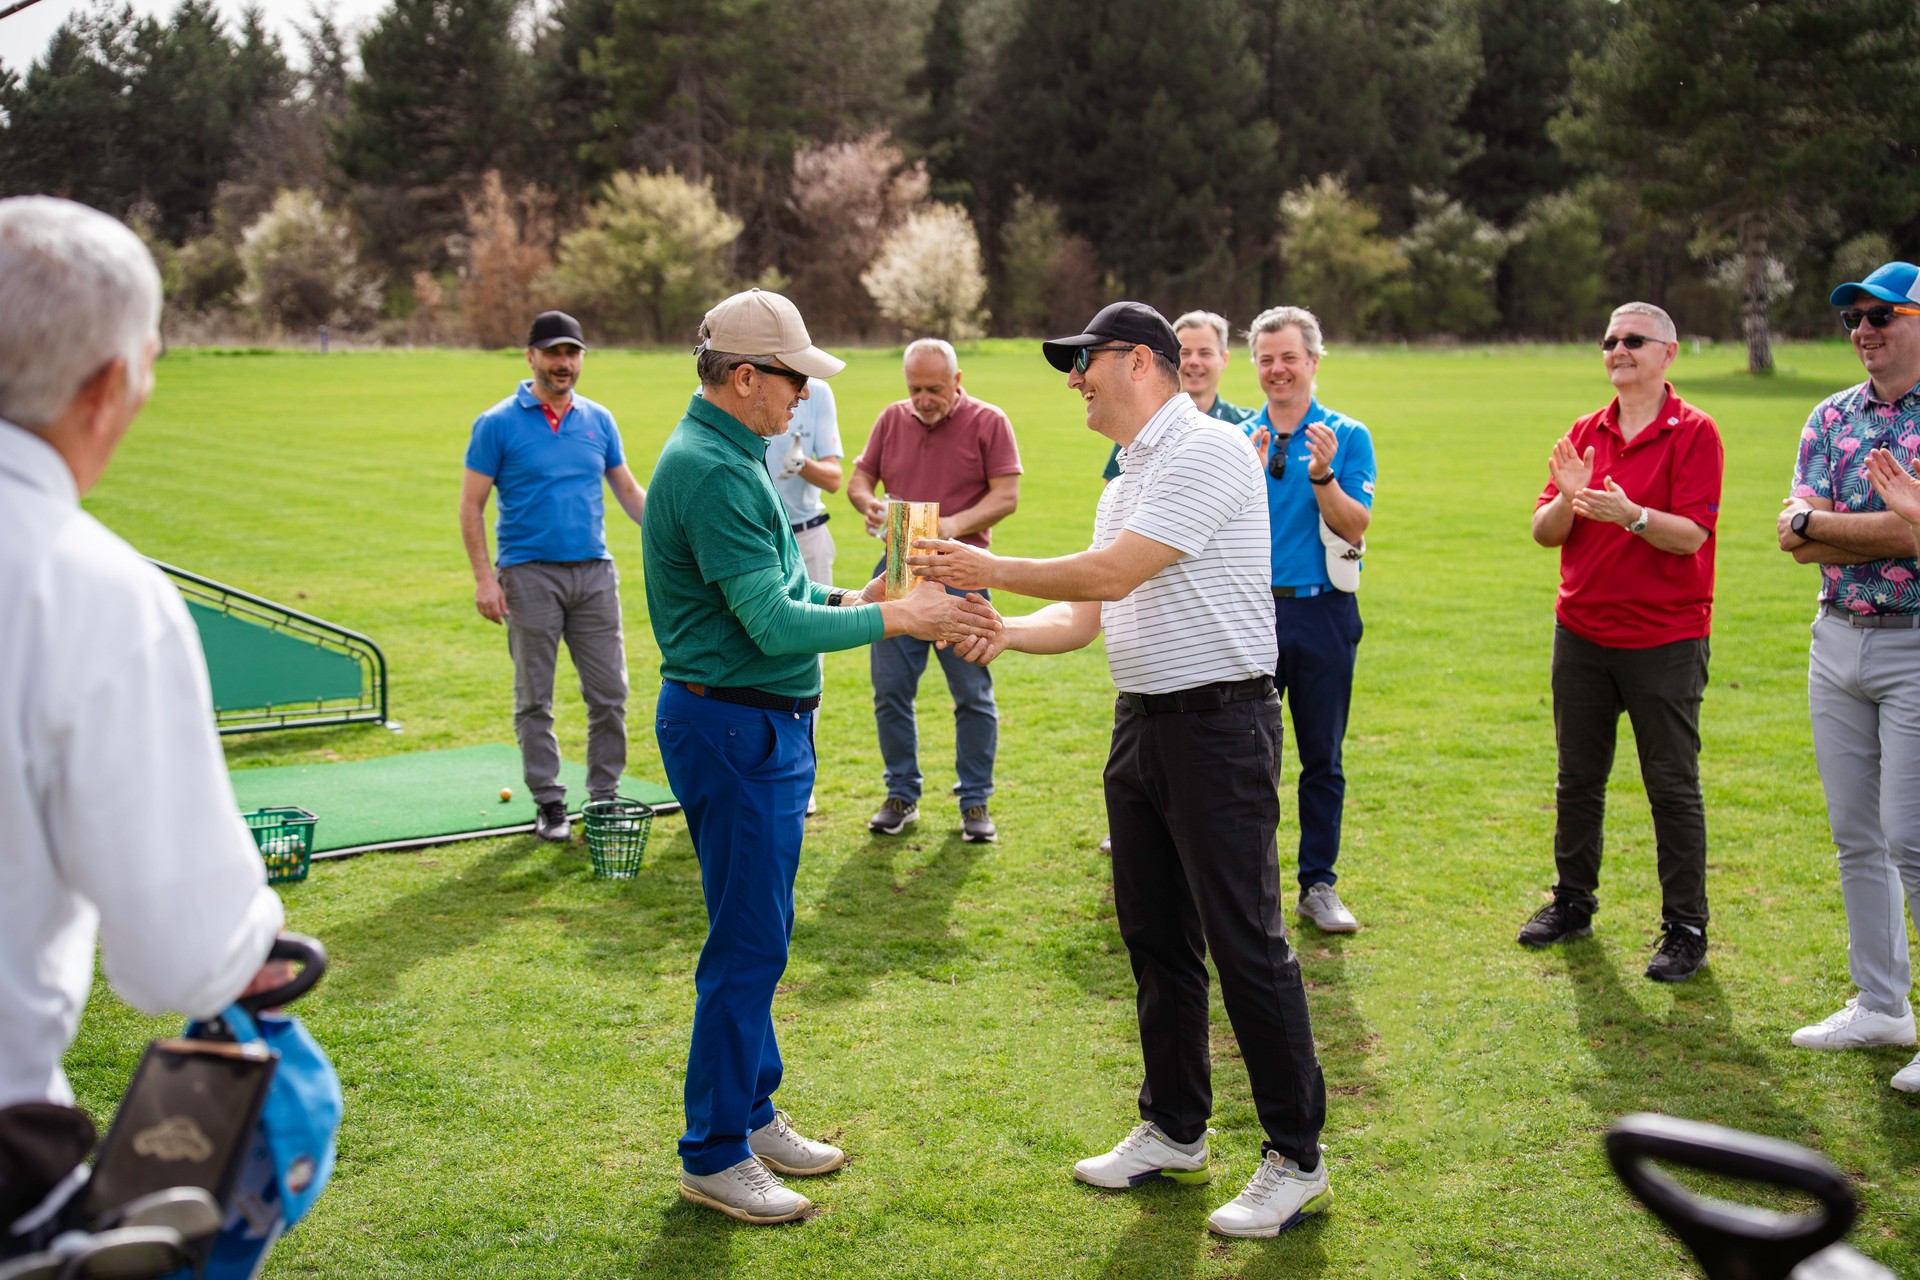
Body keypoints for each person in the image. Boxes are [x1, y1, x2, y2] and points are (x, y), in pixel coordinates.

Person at [912, 301, 1332, 1240]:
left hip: (1222, 727)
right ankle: (1176, 1128)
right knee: (1155, 938)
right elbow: (1080, 621)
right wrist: (994, 629)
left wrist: (979, 563)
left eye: (1084, 363)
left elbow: (1112, 573)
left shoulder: (1210, 448)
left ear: (1140, 362)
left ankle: (1296, 1158)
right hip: (1142, 725)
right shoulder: (1124, 478)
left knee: (1245, 944)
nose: (1074, 381)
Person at [642, 289, 999, 1224]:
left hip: (752, 723)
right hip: (734, 726)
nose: (805, 394)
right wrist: (898, 615)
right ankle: (714, 1152)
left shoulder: (734, 455)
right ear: (747, 377)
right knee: (748, 944)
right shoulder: (716, 470)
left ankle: (750, 1113)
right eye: (795, 377)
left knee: (759, 932)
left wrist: (860, 594)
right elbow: (765, 622)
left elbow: (788, 592)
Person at [0, 196, 285, 1238]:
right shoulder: (90, 589)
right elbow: (179, 958)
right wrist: (254, 935)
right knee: (288, 1122)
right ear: (113, 382)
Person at [1517, 303, 1722, 982]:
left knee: (1671, 784)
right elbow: (1546, 533)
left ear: (1670, 352)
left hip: (1665, 638)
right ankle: (1572, 902)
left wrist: (1629, 514)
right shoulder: (1586, 430)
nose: (1618, 349)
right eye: (1609, 339)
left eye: (1633, 340)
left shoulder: (1694, 433)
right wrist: (1566, 499)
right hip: (1582, 633)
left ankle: (1686, 927)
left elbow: (1690, 534)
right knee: (1577, 777)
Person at [1778, 260, 1920, 1090]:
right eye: (1852, 319)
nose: (1863, 330)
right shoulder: (1830, 417)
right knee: (1855, 834)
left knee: (1913, 837)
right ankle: (1880, 1004)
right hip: (1836, 638)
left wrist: (1832, 526)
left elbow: (1910, 542)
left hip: (1913, 642)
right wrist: (1889, 524)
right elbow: (1795, 538)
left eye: (1881, 315)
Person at [459, 311, 648, 843]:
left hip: (593, 573)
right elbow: (471, 505)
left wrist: (674, 533)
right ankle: (549, 803)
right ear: (531, 357)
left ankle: (604, 796)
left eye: (572, 353)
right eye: (553, 353)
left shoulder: (598, 420)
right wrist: (484, 579)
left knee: (610, 694)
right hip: (527, 576)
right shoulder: (496, 423)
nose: (563, 363)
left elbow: (630, 493)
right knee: (534, 698)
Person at [847, 338, 1022, 842]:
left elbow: (1006, 496)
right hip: (897, 572)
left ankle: (975, 802)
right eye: (915, 389)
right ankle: (901, 794)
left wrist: (950, 529)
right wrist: (870, 506)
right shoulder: (891, 419)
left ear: (958, 381)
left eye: (934, 389)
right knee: (890, 693)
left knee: (972, 694)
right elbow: (860, 481)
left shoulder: (990, 421)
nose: (923, 398)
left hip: (964, 575)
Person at [1241, 306, 1375, 934]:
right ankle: (1249, 885)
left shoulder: (1347, 436)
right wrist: (1243, 472)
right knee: (1247, 756)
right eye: (1266, 359)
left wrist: (1321, 476)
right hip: (1251, 614)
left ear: (1314, 362)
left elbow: (1355, 526)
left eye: (1289, 357)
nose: (1277, 370)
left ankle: (1317, 884)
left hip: (1322, 610)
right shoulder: (1240, 438)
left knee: (1321, 754)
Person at [768, 377, 844, 816]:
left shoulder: (818, 394)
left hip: (807, 538)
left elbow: (833, 477)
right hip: (757, 538)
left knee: (808, 662)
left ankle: (800, 773)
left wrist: (802, 465)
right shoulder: (749, 390)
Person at [1098, 309, 1251, 481]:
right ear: (1171, 360)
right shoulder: (1143, 425)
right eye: (1185, 353)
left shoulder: (1246, 426)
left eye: (1205, 353)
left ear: (1224, 359)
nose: (1194, 362)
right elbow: (1114, 496)